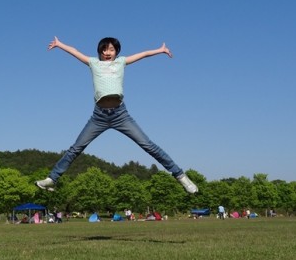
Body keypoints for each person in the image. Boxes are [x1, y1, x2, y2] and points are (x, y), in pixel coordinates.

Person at [35, 36, 198, 194]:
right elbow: (75, 51)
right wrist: (60, 44)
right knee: (76, 148)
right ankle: (52, 179)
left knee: (148, 145)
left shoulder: (121, 62)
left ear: (116, 52)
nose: (107, 52)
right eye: (104, 49)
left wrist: (160, 50)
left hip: (121, 115)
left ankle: (180, 176)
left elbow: (143, 54)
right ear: (99, 51)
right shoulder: (93, 63)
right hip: (98, 117)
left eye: (111, 49)